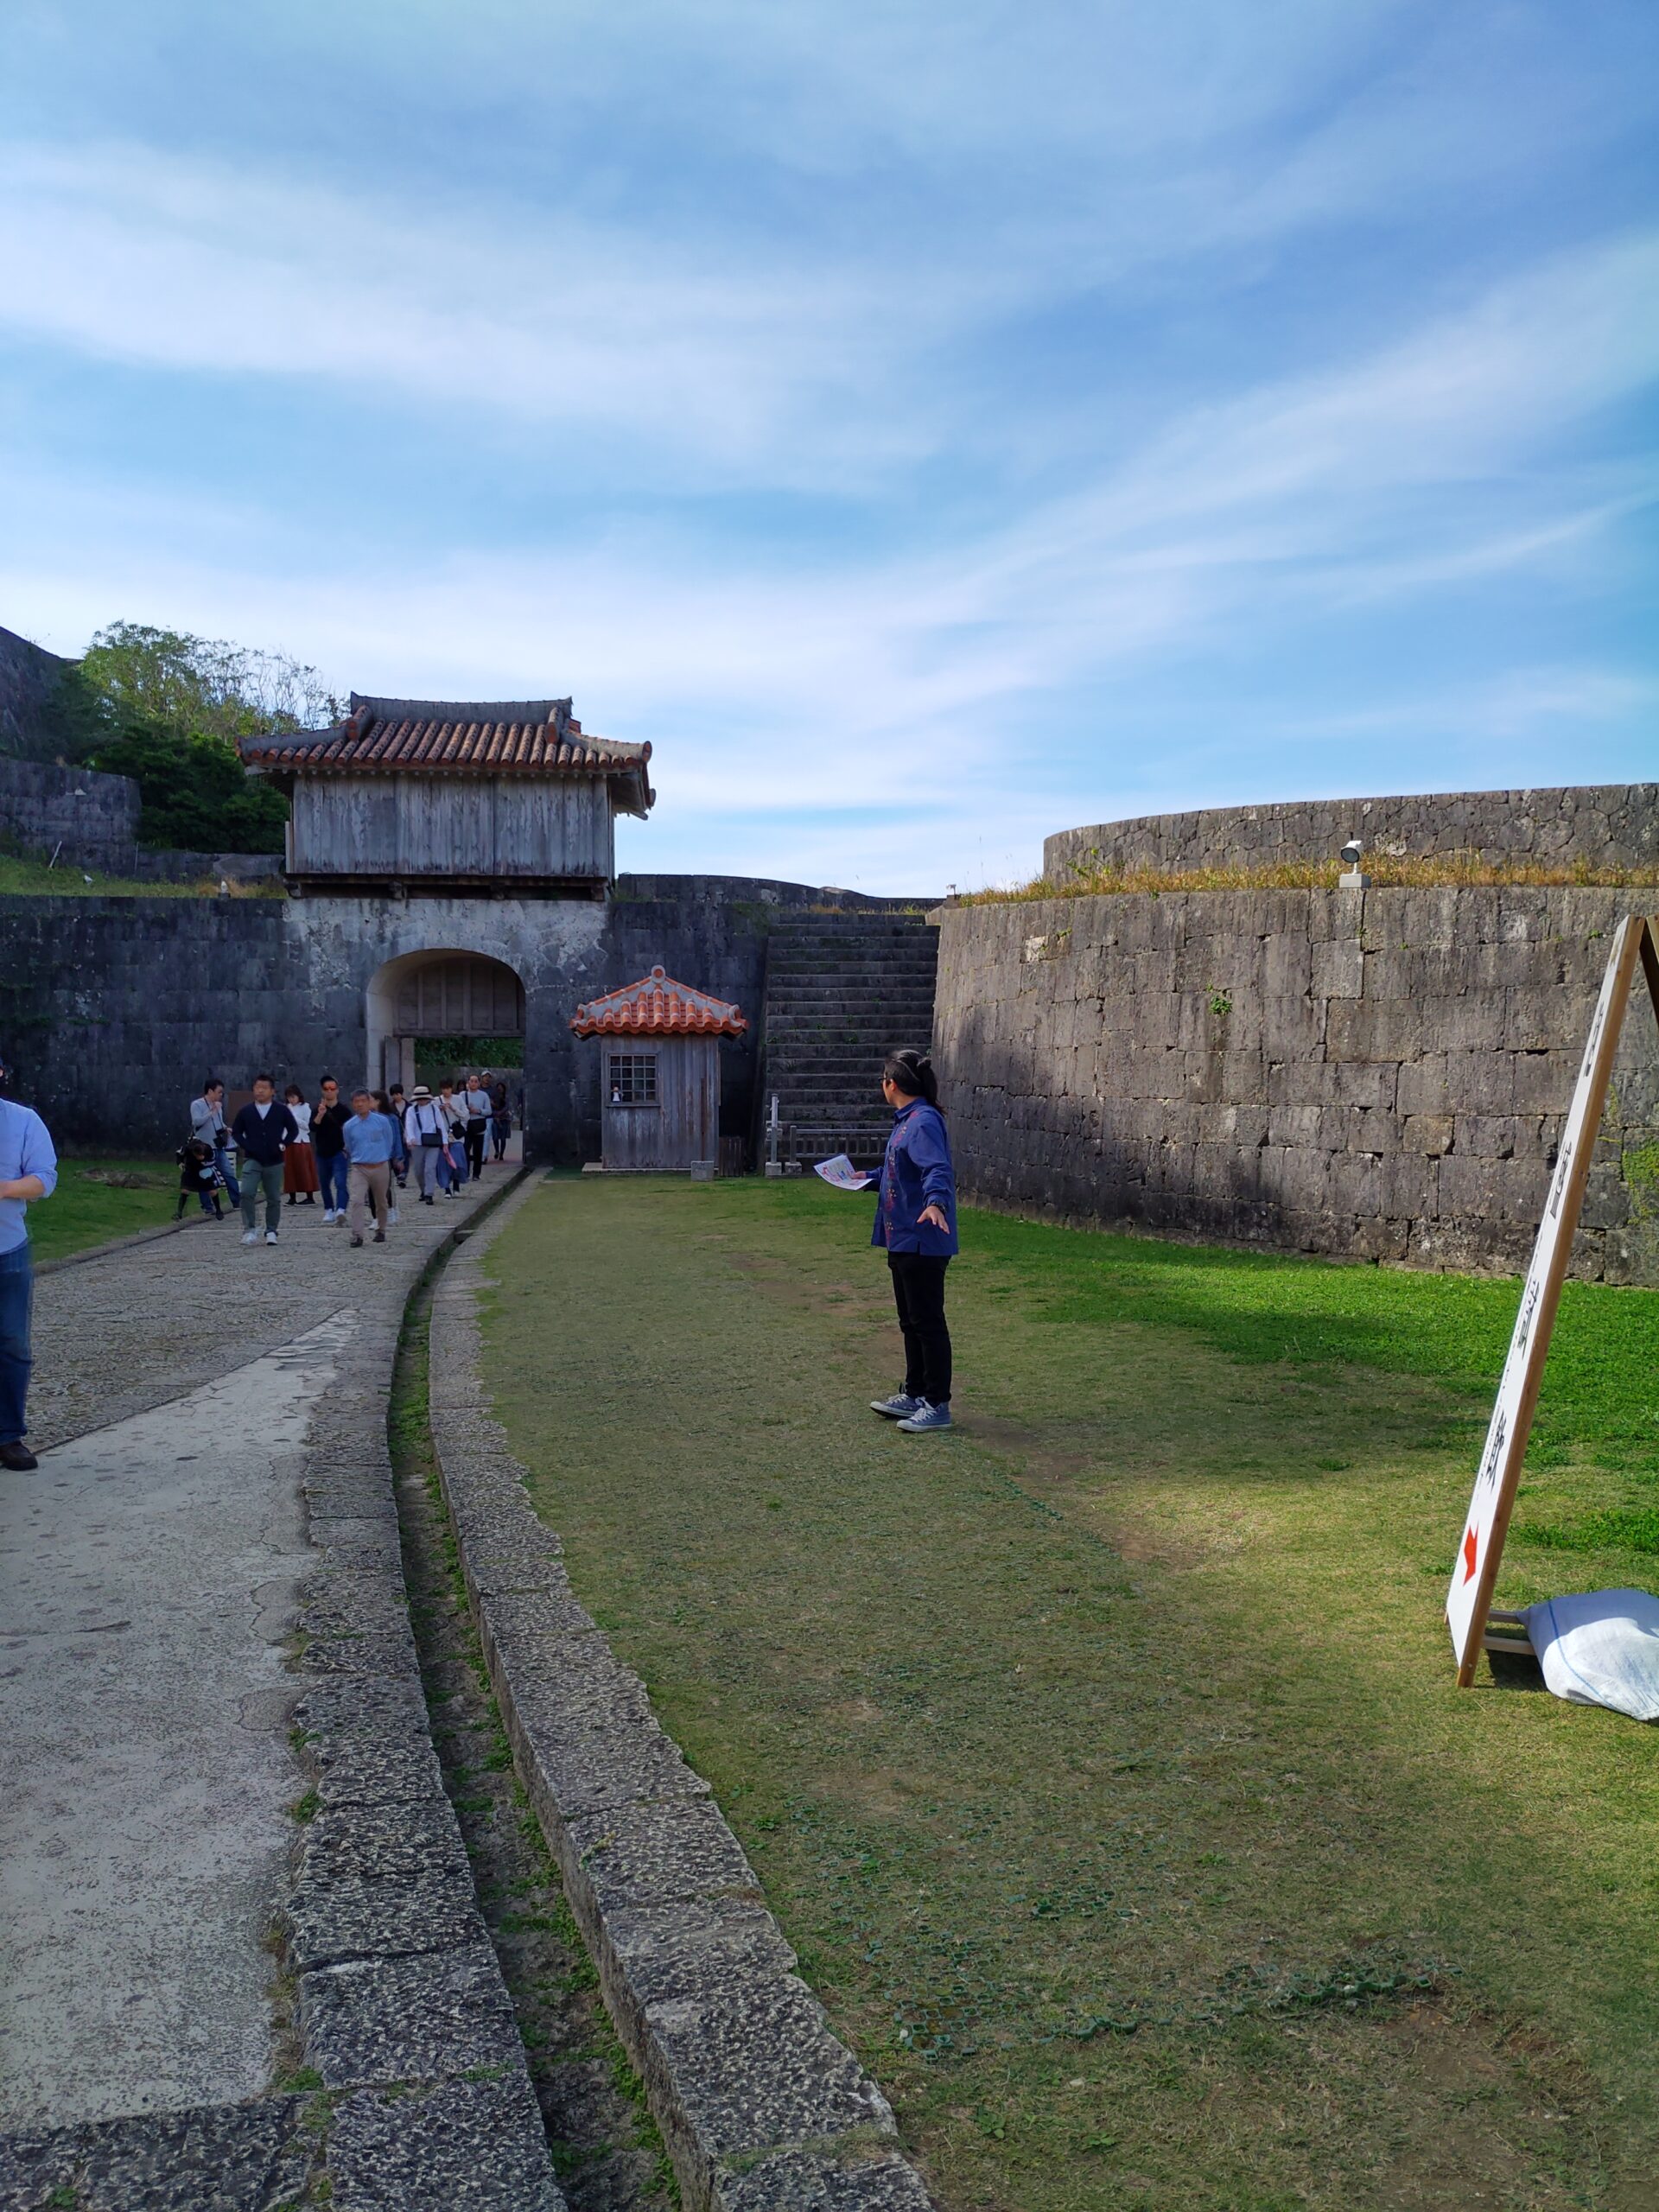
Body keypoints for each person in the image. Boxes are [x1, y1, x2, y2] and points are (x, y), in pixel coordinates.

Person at [868, 1048, 957, 1433]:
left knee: (927, 1321)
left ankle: (937, 1402)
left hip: (923, 1238)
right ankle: (916, 1391)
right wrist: (861, 1178)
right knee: (910, 1320)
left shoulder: (923, 1121)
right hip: (901, 1236)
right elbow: (897, 1170)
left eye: (883, 1080)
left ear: (891, 1084)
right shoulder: (906, 1122)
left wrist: (936, 1202)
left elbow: (936, 1168)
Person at [0, 1052, 58, 1471]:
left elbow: (44, 1178)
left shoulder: (23, 1121)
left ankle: (8, 1435)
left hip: (9, 1249)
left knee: (13, 1343)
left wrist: (5, 1188)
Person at [232, 1074, 298, 1246]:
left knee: (273, 1197)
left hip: (274, 1160)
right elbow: (236, 1131)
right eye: (257, 1087)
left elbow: (293, 1130)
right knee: (247, 1192)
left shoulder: (281, 1110)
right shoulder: (246, 1111)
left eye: (264, 1088)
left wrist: (283, 1144)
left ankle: (271, 1230)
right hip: (253, 1158)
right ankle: (249, 1229)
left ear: (272, 1091)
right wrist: (246, 1145)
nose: (260, 1091)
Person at [341, 1088, 395, 1246]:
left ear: (369, 1102)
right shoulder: (349, 1126)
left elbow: (389, 1141)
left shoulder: (382, 1121)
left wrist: (383, 1157)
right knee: (357, 1200)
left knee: (381, 1201)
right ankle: (357, 1235)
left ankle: (381, 1229)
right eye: (356, 1102)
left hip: (380, 1165)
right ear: (353, 1104)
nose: (360, 1104)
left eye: (363, 1101)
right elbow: (349, 1146)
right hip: (360, 1167)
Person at [189, 1078, 240, 1207]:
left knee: (228, 1173)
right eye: (219, 1092)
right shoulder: (197, 1104)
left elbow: (218, 1122)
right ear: (210, 1091)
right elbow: (197, 1122)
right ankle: (207, 1206)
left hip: (218, 1146)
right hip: (204, 1147)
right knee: (205, 1176)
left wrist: (225, 1128)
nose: (221, 1095)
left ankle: (236, 1201)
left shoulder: (218, 1106)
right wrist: (211, 1112)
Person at [312, 1075, 350, 1223]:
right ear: (322, 1090)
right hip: (322, 1152)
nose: (329, 1091)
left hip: (339, 1152)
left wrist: (347, 1147)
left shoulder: (344, 1110)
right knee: (324, 1183)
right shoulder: (317, 1109)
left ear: (337, 1090)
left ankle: (341, 1209)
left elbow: (350, 1130)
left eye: (332, 1088)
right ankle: (329, 1209)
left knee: (340, 1182)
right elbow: (312, 1127)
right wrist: (320, 1115)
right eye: (326, 1089)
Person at [404, 1084, 447, 1205]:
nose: (422, 1101)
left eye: (424, 1098)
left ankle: (429, 1193)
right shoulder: (411, 1110)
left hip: (433, 1142)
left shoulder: (434, 1109)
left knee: (430, 1168)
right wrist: (410, 1139)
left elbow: (441, 1125)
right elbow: (409, 1125)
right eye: (419, 1099)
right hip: (417, 1143)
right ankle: (423, 1189)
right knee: (418, 1170)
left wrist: (445, 1142)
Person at [283, 1084, 320, 1208]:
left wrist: (293, 1118)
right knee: (289, 1170)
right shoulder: (286, 1108)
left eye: (293, 1097)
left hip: (301, 1141)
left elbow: (308, 1126)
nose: (291, 1100)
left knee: (304, 1169)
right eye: (289, 1097)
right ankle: (292, 1197)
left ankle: (309, 1196)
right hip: (289, 1141)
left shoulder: (305, 1107)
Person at [373, 1090, 405, 1223]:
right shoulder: (368, 1117)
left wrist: (399, 1157)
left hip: (387, 1155)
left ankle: (391, 1209)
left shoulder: (392, 1118)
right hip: (372, 1155)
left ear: (378, 1101)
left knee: (385, 1185)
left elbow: (397, 1137)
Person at [175, 1137, 226, 1220]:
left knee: (212, 1191)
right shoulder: (187, 1148)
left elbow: (213, 1161)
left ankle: (218, 1210)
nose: (199, 1157)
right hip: (190, 1170)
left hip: (204, 1170)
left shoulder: (208, 1149)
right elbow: (179, 1154)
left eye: (200, 1155)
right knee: (185, 1190)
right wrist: (180, 1164)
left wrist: (204, 1163)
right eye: (197, 1155)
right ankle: (179, 1213)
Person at [436, 1079, 467, 1194]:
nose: (446, 1091)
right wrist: (439, 1110)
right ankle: (447, 1188)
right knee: (443, 1162)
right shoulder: (436, 1101)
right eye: (443, 1088)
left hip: (456, 1135)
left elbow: (466, 1116)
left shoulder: (458, 1099)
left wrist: (453, 1109)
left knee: (457, 1159)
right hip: (442, 1136)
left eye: (448, 1088)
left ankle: (456, 1181)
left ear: (452, 1088)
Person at [461, 1073, 491, 1181]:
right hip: (466, 1125)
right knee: (465, 1150)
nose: (473, 1083)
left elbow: (489, 1111)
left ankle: (476, 1173)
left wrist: (478, 1111)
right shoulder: (462, 1095)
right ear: (468, 1083)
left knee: (478, 1151)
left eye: (476, 1081)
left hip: (478, 1125)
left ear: (479, 1083)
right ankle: (465, 1172)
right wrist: (466, 1110)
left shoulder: (484, 1095)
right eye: (471, 1081)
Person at [488, 1071, 511, 1161]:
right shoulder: (493, 1098)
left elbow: (507, 1107)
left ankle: (501, 1154)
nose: (500, 1090)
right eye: (498, 1088)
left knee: (503, 1138)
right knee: (495, 1137)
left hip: (504, 1119)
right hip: (495, 1118)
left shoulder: (506, 1098)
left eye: (501, 1088)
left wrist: (500, 1113)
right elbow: (490, 1107)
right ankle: (497, 1151)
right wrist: (495, 1113)